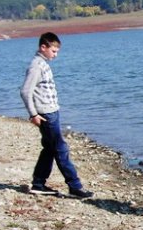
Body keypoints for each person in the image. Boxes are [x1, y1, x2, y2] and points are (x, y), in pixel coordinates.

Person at [20, 32, 94, 198]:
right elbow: (25, 91)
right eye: (53, 51)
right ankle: (75, 186)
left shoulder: (42, 64)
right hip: (46, 114)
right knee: (61, 149)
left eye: (57, 51)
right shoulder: (36, 66)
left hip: (52, 112)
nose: (56, 55)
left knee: (49, 149)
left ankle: (38, 183)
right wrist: (33, 114)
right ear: (43, 47)